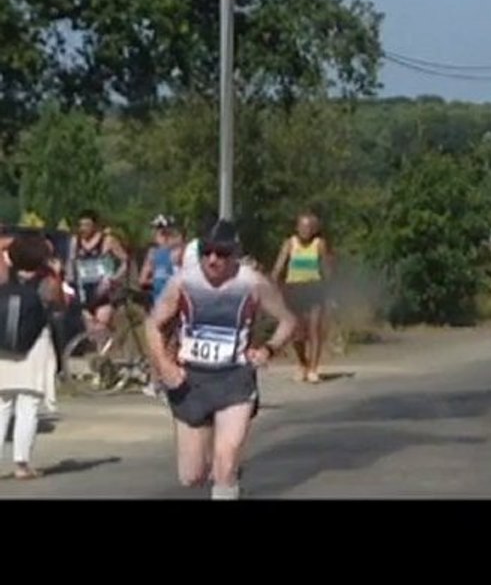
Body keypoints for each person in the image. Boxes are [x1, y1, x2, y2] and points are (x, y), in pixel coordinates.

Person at [144, 219, 298, 499]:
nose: (213, 259)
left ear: (234, 253)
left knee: (224, 465)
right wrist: (164, 366)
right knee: (192, 476)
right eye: (207, 252)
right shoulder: (184, 281)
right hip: (191, 381)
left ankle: (228, 480)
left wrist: (269, 349)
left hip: (235, 379)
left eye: (222, 253)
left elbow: (287, 320)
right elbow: (152, 325)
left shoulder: (252, 282)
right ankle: (228, 479)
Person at [0, 233, 66, 479]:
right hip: (34, 346)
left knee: (1, 405)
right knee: (28, 405)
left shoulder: (5, 275)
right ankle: (22, 464)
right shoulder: (45, 282)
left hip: (3, 345)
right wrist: (57, 274)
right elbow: (59, 304)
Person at [271, 212, 334, 383]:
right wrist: (274, 284)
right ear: (297, 228)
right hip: (294, 289)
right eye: (302, 226)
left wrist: (328, 291)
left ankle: (313, 368)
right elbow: (279, 267)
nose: (305, 230)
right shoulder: (290, 244)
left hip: (314, 287)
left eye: (309, 227)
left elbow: (327, 268)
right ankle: (302, 363)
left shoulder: (319, 244)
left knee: (314, 329)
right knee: (297, 331)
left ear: (314, 229)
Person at [67, 209, 129, 346]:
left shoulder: (107, 240)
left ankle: (104, 358)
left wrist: (115, 278)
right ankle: (104, 354)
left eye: (87, 225)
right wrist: (70, 281)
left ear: (95, 226)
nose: (83, 229)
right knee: (91, 333)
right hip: (83, 290)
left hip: (103, 290)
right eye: (81, 225)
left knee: (101, 327)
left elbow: (126, 261)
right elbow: (71, 263)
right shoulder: (75, 241)